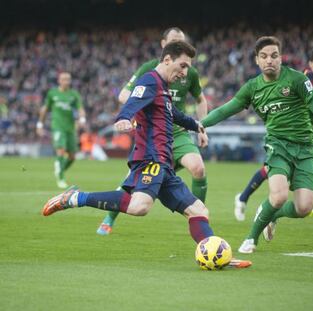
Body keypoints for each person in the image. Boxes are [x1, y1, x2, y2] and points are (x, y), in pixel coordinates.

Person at [41, 41, 251, 269]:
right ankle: (74, 198)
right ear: (167, 59)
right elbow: (132, 102)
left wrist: (196, 124)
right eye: (182, 66)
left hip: (164, 161)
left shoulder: (162, 86)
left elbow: (173, 114)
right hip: (151, 157)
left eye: (187, 68)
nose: (184, 73)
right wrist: (123, 118)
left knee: (199, 210)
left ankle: (217, 256)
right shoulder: (150, 80)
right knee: (140, 206)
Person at [201, 36, 313, 254]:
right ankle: (251, 238)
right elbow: (225, 109)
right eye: (264, 56)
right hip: (277, 146)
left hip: (306, 148)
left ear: (280, 58)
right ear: (257, 61)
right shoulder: (252, 87)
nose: (269, 60)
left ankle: (273, 214)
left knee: (304, 208)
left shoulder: (298, 80)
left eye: (274, 55)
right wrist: (200, 124)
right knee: (279, 196)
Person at [97, 27, 209, 235]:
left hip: (177, 132)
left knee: (198, 168)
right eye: (174, 42)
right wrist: (132, 113)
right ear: (164, 47)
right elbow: (126, 95)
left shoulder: (188, 72)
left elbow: (193, 102)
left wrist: (199, 126)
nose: (179, 45)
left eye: (181, 41)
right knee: (135, 193)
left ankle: (197, 219)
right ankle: (108, 216)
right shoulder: (150, 72)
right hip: (152, 136)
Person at [234, 47, 313, 228]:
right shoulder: (305, 81)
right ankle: (243, 197)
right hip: (292, 132)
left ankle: (306, 197)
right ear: (310, 64)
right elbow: (309, 112)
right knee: (272, 169)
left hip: (312, 133)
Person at [36, 72, 86, 189]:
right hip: (58, 127)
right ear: (59, 80)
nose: (66, 82)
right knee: (61, 151)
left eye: (68, 79)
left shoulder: (73, 94)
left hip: (70, 128)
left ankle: (59, 169)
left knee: (72, 157)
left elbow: (80, 108)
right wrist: (39, 125)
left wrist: (82, 119)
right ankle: (61, 178)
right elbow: (44, 109)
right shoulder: (52, 93)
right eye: (64, 79)